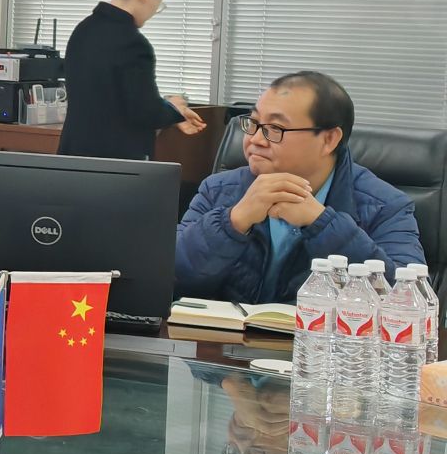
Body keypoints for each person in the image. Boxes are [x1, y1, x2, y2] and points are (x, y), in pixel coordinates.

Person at [176, 71, 424, 304]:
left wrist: (322, 224)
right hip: (224, 336)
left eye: (275, 128)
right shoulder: (218, 190)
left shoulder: (385, 206)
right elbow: (171, 277)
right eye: (253, 123)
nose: (255, 139)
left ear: (329, 139)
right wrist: (232, 222)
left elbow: (410, 302)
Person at [57, 0, 207, 160]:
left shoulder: (82, 30)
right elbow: (145, 112)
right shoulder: (133, 44)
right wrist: (174, 108)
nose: (155, 11)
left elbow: (110, 100)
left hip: (72, 156)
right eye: (159, 4)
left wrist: (172, 113)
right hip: (116, 164)